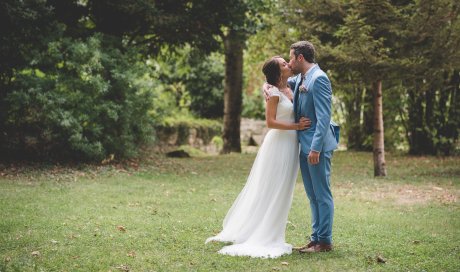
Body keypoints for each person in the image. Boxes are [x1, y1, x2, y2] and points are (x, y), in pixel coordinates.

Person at [205, 56, 311, 258]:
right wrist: (296, 126)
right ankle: (264, 234)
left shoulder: (293, 85)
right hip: (278, 143)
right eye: (283, 64)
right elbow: (270, 122)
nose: (288, 64)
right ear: (278, 72)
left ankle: (274, 230)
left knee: (284, 188)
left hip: (291, 144)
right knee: (271, 186)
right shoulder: (272, 91)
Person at [264, 41, 339, 253]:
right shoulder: (302, 78)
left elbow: (324, 118)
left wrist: (315, 149)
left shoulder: (319, 78)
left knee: (322, 194)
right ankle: (315, 239)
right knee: (312, 195)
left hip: (317, 147)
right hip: (304, 147)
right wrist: (266, 85)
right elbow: (280, 82)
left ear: (299, 58)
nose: (288, 62)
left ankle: (324, 241)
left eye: (290, 58)